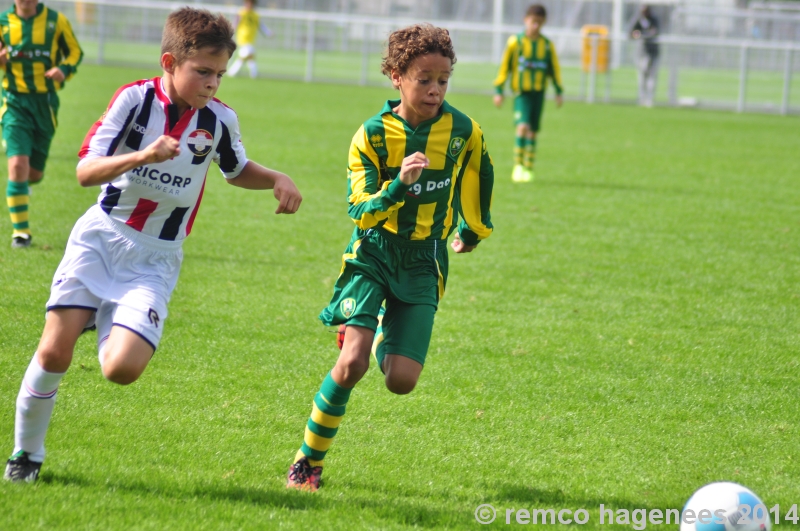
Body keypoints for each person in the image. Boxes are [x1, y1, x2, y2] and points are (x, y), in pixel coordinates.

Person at [3, 6, 302, 483]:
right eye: (202, 71)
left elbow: (235, 169)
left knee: (121, 369)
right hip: (102, 238)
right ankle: (26, 456)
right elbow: (84, 171)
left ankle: (103, 317)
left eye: (220, 74)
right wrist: (143, 154)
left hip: (156, 259)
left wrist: (276, 179)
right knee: (55, 353)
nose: (212, 83)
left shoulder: (220, 120)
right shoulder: (134, 101)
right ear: (169, 63)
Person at [286, 23, 494, 492]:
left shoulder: (463, 131)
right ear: (397, 76)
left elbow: (479, 175)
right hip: (374, 253)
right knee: (352, 362)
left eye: (443, 79)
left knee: (401, 380)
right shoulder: (373, 136)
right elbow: (360, 211)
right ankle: (307, 463)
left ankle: (381, 330)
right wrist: (399, 185)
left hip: (425, 261)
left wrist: (473, 229)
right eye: (424, 79)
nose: (436, 89)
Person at [0, 0, 82, 248]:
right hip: (13, 101)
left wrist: (63, 69)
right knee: (17, 165)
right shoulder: (3, 23)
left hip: (45, 105)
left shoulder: (56, 21)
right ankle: (21, 233)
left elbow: (75, 52)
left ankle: (24, 184)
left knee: (33, 173)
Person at [493, 4, 563, 183]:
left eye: (539, 23)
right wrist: (499, 90)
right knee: (522, 126)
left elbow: (553, 69)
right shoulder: (515, 42)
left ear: (543, 22)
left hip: (538, 93)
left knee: (532, 131)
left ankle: (529, 168)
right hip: (521, 92)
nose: (536, 26)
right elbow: (505, 67)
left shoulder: (547, 46)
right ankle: (518, 166)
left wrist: (558, 90)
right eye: (533, 22)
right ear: (526, 20)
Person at [228, 0, 271, 79]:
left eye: (250, 3)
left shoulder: (255, 14)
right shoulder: (242, 12)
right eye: (247, 3)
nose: (248, 5)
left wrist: (268, 33)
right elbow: (236, 23)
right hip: (243, 38)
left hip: (251, 39)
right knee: (248, 55)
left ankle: (235, 72)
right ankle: (253, 73)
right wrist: (231, 31)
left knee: (248, 56)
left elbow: (260, 25)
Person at [630, 5, 660, 108]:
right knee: (642, 76)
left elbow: (655, 32)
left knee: (651, 77)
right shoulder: (639, 20)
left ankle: (650, 99)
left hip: (652, 53)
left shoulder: (654, 20)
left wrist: (646, 34)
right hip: (641, 53)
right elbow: (631, 33)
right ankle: (642, 98)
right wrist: (637, 34)